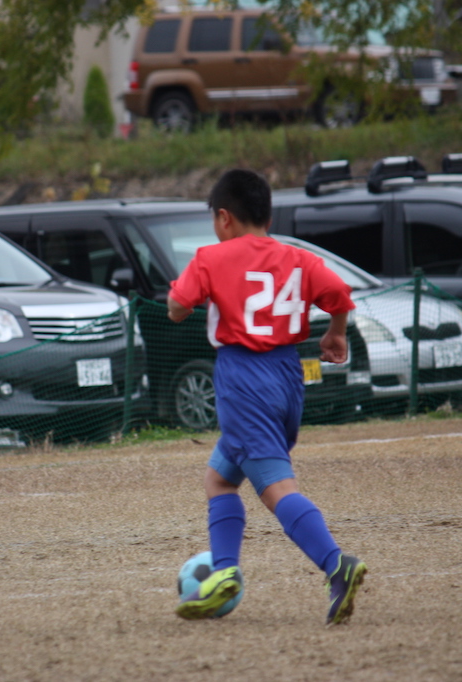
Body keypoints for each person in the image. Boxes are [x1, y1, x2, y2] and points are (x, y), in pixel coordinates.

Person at [167, 168, 367, 625]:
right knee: (219, 478)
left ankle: (336, 563)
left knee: (277, 488)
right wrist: (335, 334)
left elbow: (177, 307)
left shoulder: (211, 257)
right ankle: (224, 572)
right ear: (267, 215)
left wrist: (184, 299)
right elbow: (339, 294)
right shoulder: (299, 259)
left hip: (243, 378)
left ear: (224, 217)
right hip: (287, 377)